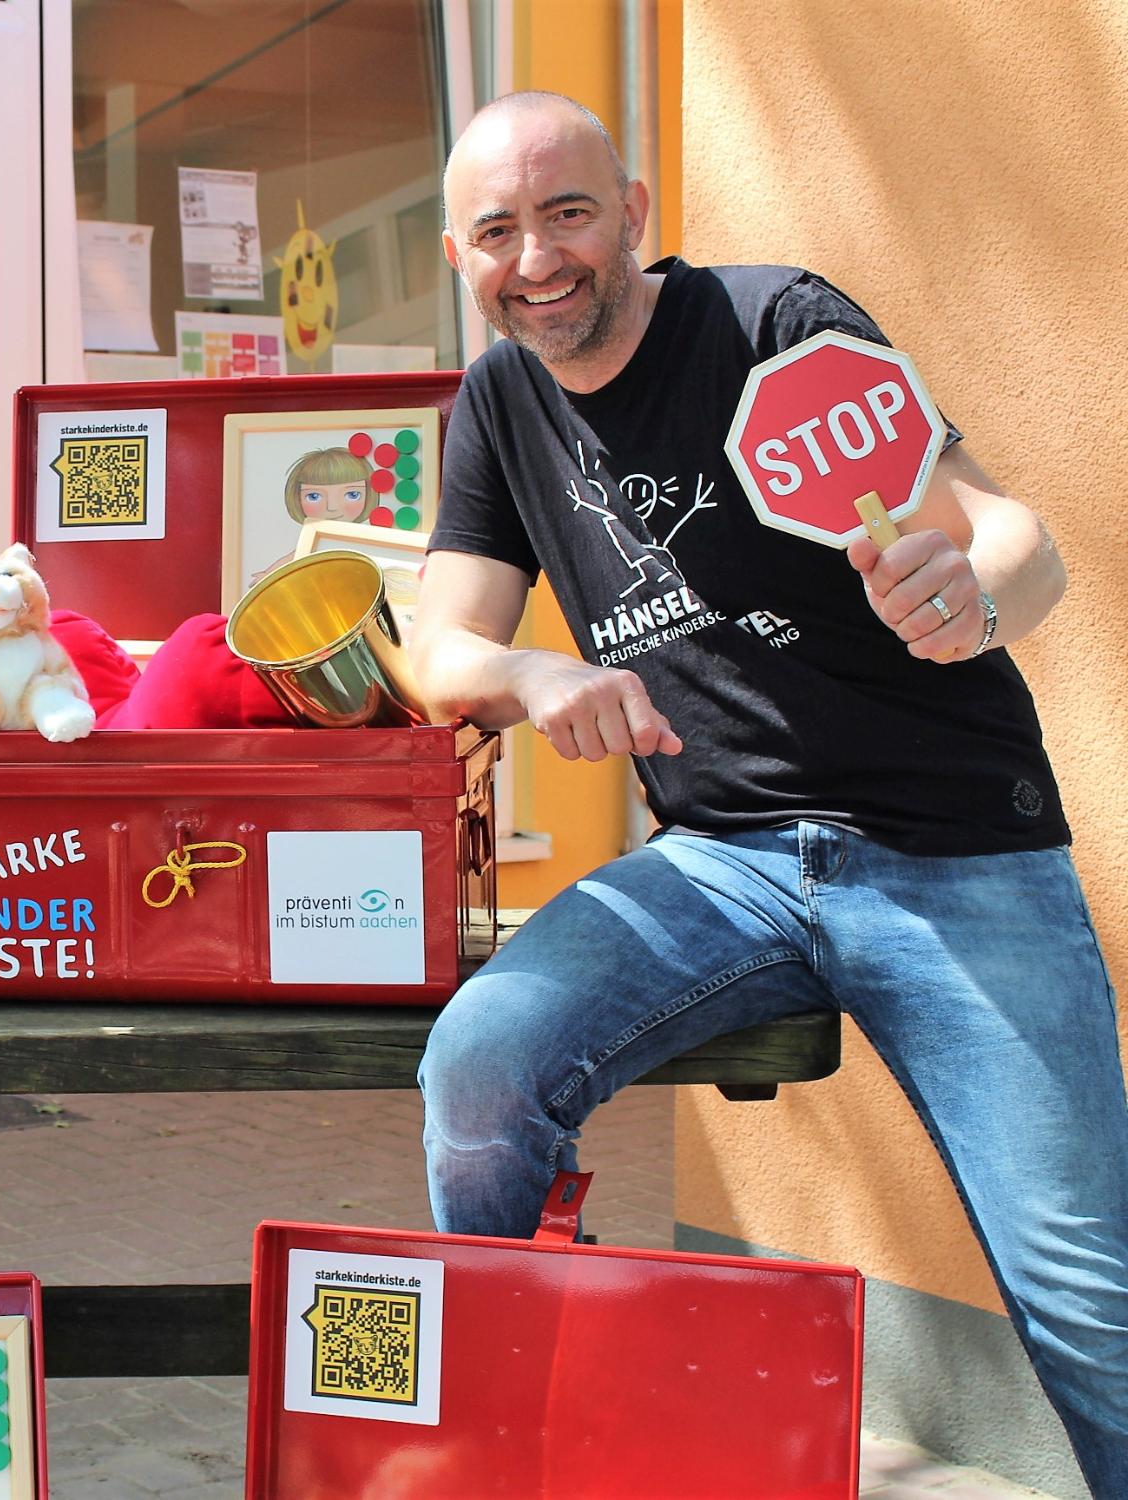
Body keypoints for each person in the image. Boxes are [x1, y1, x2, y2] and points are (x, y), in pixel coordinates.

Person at [413, 92, 1127, 1492]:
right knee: (480, 1068)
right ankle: (522, 1442)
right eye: (499, 230)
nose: (539, 257)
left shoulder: (778, 325)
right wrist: (533, 676)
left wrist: (974, 599)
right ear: (461, 258)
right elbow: (440, 652)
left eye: (568, 212)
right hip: (718, 867)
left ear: (635, 208)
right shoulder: (498, 404)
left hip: (959, 855)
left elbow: (1010, 536)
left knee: (1088, 1296)